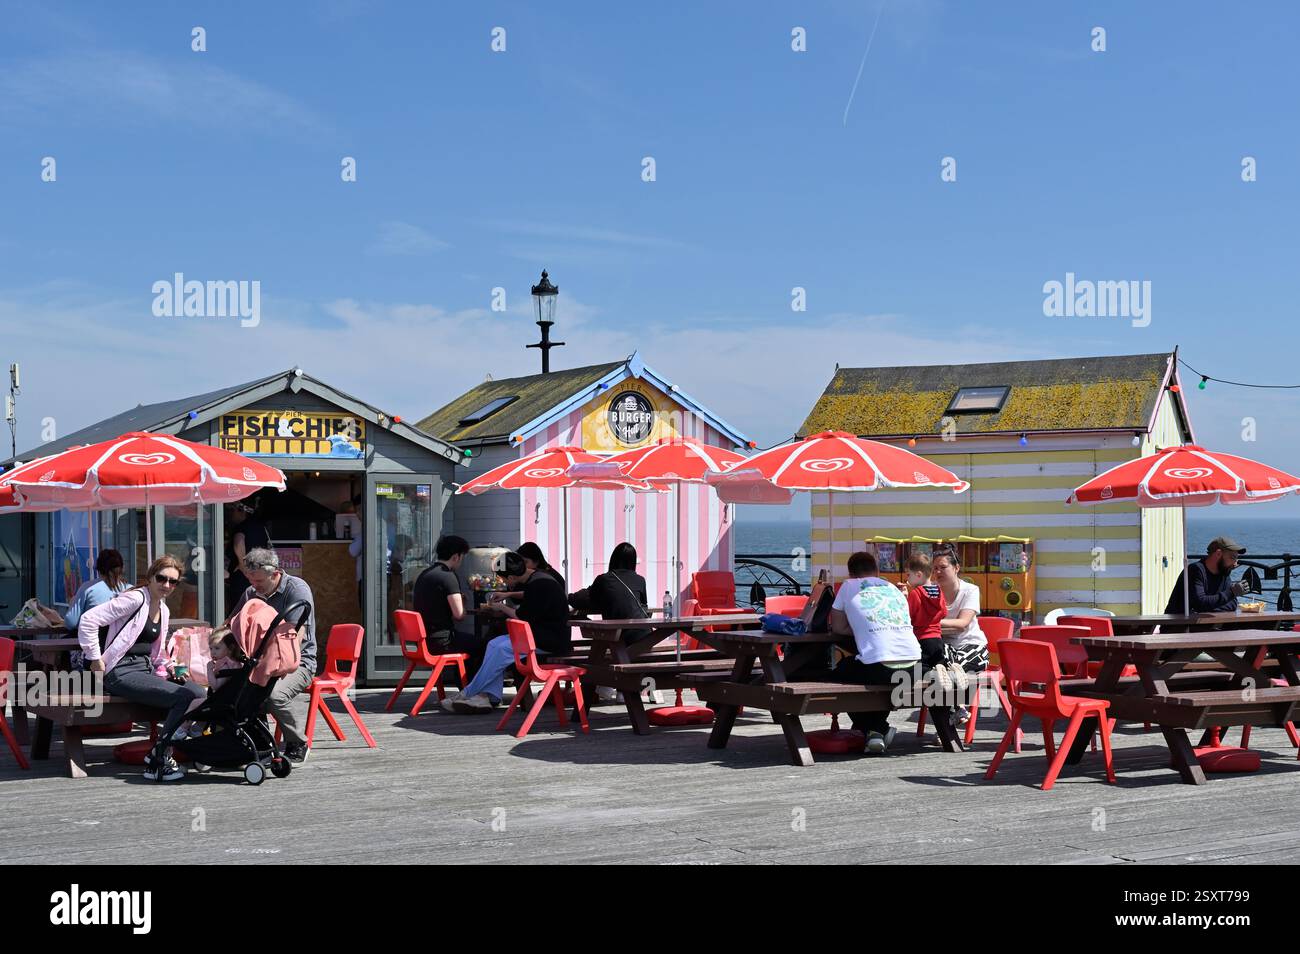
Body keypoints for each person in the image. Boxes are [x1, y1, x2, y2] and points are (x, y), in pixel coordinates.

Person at [78, 555, 206, 782]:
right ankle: (160, 759)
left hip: (144, 671)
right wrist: (94, 657)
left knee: (198, 693)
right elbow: (88, 619)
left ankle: (180, 747)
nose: (167, 585)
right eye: (162, 578)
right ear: (150, 577)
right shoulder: (135, 599)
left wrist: (170, 669)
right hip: (120, 672)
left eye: (173, 582)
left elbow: (157, 654)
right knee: (182, 697)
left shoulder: (163, 610)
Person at [442, 551, 571, 714]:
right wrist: (508, 595)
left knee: (501, 649)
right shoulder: (539, 577)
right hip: (539, 636)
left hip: (550, 641)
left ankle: (469, 692)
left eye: (503, 579)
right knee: (493, 644)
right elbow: (530, 596)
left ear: (511, 578)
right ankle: (489, 696)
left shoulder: (537, 584)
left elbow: (521, 616)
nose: (502, 582)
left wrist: (501, 606)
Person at [828, 550, 922, 755]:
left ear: (850, 573)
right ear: (877, 571)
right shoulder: (893, 588)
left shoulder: (848, 587)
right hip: (915, 665)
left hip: (880, 667)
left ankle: (874, 729)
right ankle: (876, 730)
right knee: (872, 674)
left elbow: (838, 628)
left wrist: (862, 627)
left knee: (841, 676)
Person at [227, 547, 316, 764]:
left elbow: (296, 634)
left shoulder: (296, 589)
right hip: (258, 662)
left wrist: (273, 670)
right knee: (233, 690)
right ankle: (260, 742)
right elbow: (232, 623)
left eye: (259, 581)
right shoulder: (251, 592)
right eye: (251, 580)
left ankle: (298, 742)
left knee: (273, 695)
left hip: (297, 660)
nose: (254, 586)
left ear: (275, 574)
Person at [931, 546, 987, 726]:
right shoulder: (931, 591)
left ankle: (952, 717)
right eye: (935, 568)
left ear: (956, 568)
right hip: (946, 648)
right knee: (939, 666)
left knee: (944, 669)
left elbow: (962, 624)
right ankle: (956, 711)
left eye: (942, 567)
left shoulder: (970, 590)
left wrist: (931, 624)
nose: (938, 572)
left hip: (972, 647)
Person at [568, 543, 650, 643]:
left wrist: (569, 597)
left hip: (622, 638)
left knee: (603, 638)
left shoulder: (605, 579)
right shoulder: (640, 580)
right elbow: (644, 607)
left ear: (613, 559)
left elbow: (581, 599)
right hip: (646, 637)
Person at [413, 535, 478, 655]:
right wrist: (463, 601)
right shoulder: (448, 576)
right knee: (484, 645)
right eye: (462, 557)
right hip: (442, 641)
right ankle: (470, 675)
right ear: (456, 557)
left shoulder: (424, 574)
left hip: (423, 641)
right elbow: (459, 615)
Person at [1165, 536, 1250, 614]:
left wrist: (1211, 605)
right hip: (1180, 626)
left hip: (1205, 625)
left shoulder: (1224, 573)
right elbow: (1200, 603)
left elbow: (1232, 605)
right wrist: (1231, 592)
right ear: (1218, 554)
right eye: (1232, 557)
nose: (1235, 563)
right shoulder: (1195, 570)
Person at [904, 552, 947, 675]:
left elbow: (908, 615)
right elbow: (944, 612)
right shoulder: (939, 591)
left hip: (921, 638)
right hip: (938, 638)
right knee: (938, 663)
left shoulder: (916, 593)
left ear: (918, 574)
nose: (907, 578)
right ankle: (946, 670)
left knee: (921, 669)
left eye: (908, 575)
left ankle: (925, 687)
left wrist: (905, 599)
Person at [63, 549, 129, 630]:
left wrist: (73, 604)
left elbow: (71, 622)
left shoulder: (88, 589)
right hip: (124, 640)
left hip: (94, 640)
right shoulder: (131, 590)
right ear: (122, 569)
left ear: (98, 570)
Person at [226, 500, 270, 607]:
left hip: (243, 577)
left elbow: (238, 543)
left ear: (242, 511)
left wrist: (243, 566)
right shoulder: (260, 527)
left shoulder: (241, 527)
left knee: (240, 609)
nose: (231, 513)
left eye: (233, 510)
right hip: (258, 575)